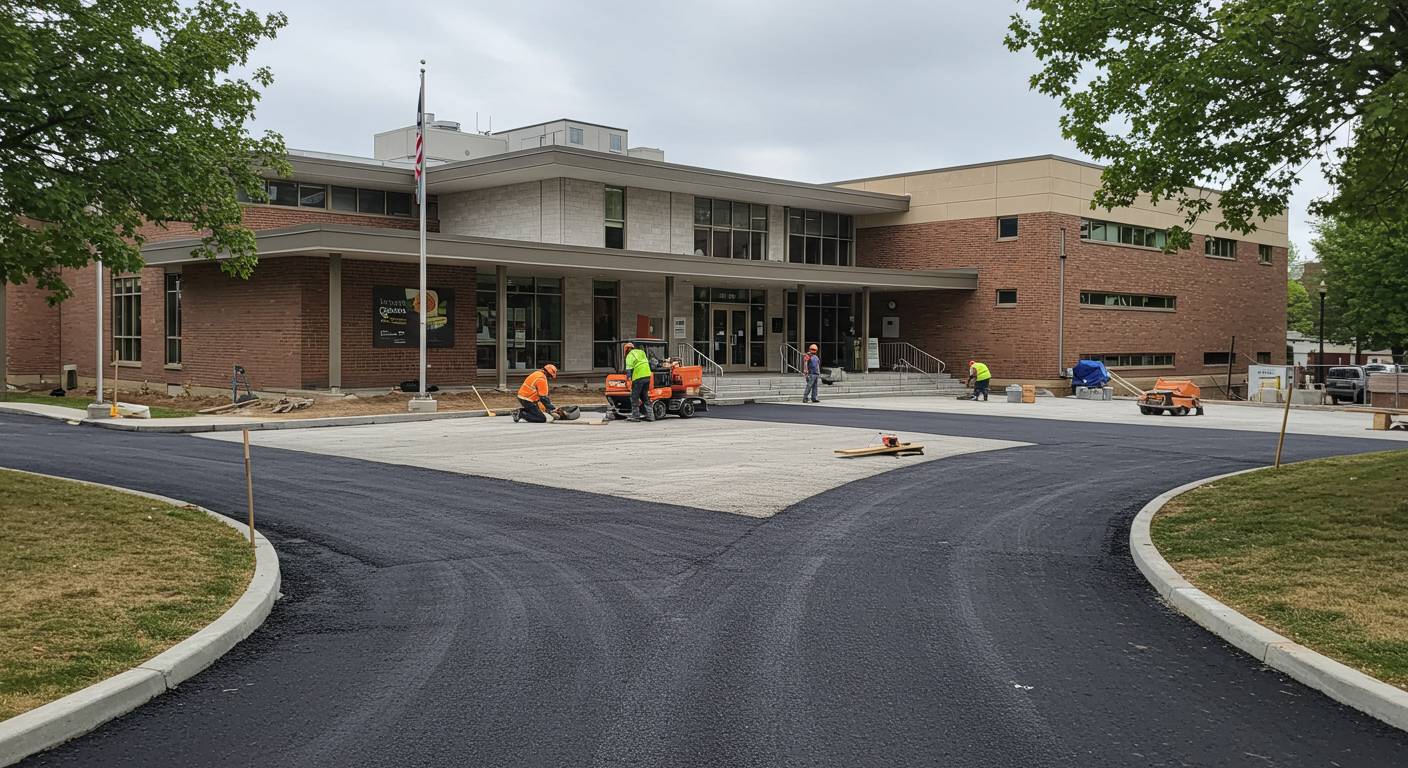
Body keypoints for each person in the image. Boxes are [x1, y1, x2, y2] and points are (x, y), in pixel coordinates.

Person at [624, 342, 654, 422]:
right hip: (647, 375)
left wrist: (628, 380)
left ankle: (635, 416)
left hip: (638, 377)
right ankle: (650, 416)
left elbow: (628, 370)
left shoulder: (629, 356)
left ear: (626, 350)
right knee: (644, 396)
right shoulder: (641, 352)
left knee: (634, 397)